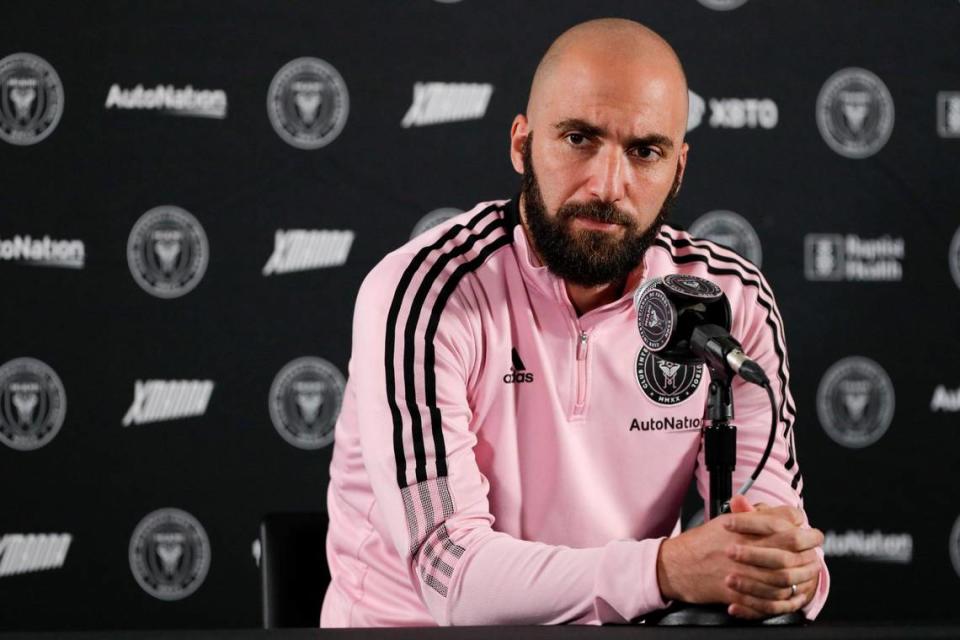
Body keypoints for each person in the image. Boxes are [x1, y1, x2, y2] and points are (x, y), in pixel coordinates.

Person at [320, 17, 829, 627]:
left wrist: (790, 570)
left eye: (644, 151)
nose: (608, 185)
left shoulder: (730, 301)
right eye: (579, 139)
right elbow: (451, 578)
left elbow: (768, 536)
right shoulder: (424, 296)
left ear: (679, 169)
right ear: (521, 144)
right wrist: (663, 570)